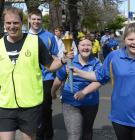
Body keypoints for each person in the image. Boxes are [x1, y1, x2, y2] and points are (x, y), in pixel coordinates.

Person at [0, 7, 73, 140]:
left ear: (22, 23)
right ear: (4, 24)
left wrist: (63, 59)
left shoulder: (34, 41)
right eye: (8, 23)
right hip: (5, 105)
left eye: (15, 22)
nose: (12, 26)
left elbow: (50, 65)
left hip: (30, 105)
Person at [73, 22, 135, 140]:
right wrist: (79, 72)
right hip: (120, 116)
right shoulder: (114, 56)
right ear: (124, 40)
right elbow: (100, 76)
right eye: (131, 39)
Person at [51, 36, 101, 140]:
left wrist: (84, 92)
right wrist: (53, 92)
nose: (86, 47)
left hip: (91, 103)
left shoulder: (96, 63)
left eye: (88, 45)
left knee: (87, 133)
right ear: (78, 47)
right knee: (74, 135)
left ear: (92, 47)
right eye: (83, 45)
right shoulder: (70, 61)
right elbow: (59, 79)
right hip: (71, 102)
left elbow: (99, 80)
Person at [28, 9, 59, 140]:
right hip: (29, 78)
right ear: (29, 20)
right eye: (33, 19)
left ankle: (46, 135)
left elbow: (55, 56)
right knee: (33, 109)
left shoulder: (49, 36)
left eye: (38, 19)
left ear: (41, 20)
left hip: (46, 77)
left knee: (45, 107)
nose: (36, 22)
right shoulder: (24, 37)